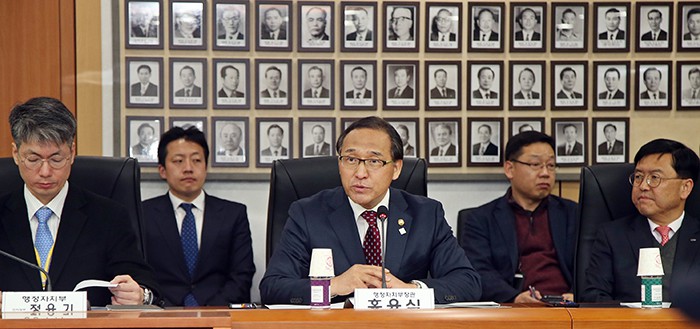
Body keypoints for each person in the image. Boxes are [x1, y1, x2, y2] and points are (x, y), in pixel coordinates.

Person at [259, 116, 482, 304]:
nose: (360, 173)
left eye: (374, 162)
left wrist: (410, 290)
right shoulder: (308, 213)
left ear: (396, 168)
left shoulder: (426, 214)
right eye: (351, 159)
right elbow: (272, 287)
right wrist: (333, 285)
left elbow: (467, 282)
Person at [0, 97, 159, 307]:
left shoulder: (109, 217)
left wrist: (140, 294)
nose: (45, 172)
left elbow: (147, 287)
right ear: (16, 154)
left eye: (56, 159)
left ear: (72, 153)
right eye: (33, 159)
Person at [143, 127, 254, 306]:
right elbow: (139, 275)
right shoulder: (142, 215)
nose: (188, 168)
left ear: (205, 166)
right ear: (162, 170)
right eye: (178, 161)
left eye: (196, 160)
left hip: (220, 315)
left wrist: (209, 313)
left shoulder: (233, 214)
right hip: (161, 315)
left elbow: (242, 275)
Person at [463, 131, 577, 303]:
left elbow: (592, 267)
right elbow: (478, 271)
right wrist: (514, 298)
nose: (545, 173)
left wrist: (578, 293)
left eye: (551, 165)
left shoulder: (574, 214)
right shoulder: (481, 220)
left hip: (568, 307)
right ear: (510, 169)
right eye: (535, 164)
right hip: (511, 310)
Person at [583, 139, 700, 303]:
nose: (643, 186)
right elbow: (593, 297)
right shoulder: (612, 236)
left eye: (654, 177)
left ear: (685, 188)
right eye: (638, 177)